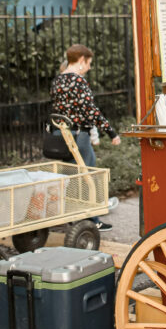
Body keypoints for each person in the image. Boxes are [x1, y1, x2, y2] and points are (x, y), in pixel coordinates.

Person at [47, 44, 121, 231]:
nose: (89, 67)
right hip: (78, 135)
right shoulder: (78, 82)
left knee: (70, 176)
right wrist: (110, 132)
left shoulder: (57, 80)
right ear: (81, 60)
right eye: (88, 63)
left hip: (61, 135)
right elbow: (91, 111)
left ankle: (72, 217)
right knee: (89, 177)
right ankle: (92, 221)